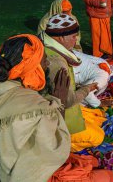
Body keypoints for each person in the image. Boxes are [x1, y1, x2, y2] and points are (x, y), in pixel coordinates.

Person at [0, 34, 70, 182]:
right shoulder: (33, 106)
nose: (48, 64)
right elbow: (53, 150)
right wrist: (60, 102)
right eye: (44, 60)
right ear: (31, 65)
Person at [42, 13, 106, 152]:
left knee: (97, 117)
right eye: (73, 36)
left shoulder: (50, 48)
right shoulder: (57, 63)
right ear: (60, 37)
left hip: (58, 106)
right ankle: (56, 145)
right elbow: (67, 101)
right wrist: (87, 89)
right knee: (98, 137)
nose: (76, 40)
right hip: (55, 116)